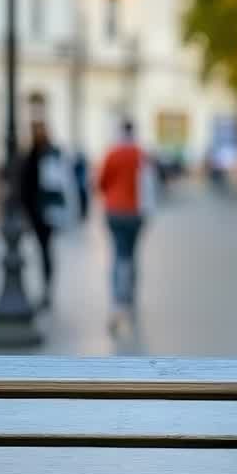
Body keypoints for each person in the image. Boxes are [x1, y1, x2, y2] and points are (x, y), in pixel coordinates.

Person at [98, 120, 153, 327]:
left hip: (115, 211)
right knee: (132, 254)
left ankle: (117, 301)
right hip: (136, 212)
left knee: (118, 254)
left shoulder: (113, 153)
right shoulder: (141, 154)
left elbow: (102, 182)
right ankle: (130, 296)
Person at [18, 121, 74, 309]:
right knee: (42, 250)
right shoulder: (32, 153)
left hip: (45, 210)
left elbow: (56, 182)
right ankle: (44, 288)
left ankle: (47, 289)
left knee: (45, 250)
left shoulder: (50, 153)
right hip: (34, 209)